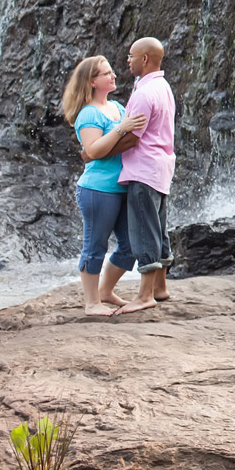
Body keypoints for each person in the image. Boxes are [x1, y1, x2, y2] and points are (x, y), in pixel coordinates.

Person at [60, 56, 147, 315]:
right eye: (107, 73)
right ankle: (91, 303)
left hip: (122, 187)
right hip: (98, 190)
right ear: (92, 81)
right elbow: (94, 150)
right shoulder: (88, 113)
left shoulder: (118, 108)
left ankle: (105, 291)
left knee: (130, 246)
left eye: (112, 72)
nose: (114, 76)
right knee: (95, 245)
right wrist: (121, 129)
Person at [114, 36, 177, 315]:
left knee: (143, 230)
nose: (127, 61)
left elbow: (131, 139)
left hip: (143, 170)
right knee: (159, 227)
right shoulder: (163, 87)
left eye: (131, 56)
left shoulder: (143, 93)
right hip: (161, 168)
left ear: (144, 59)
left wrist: (99, 151)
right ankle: (160, 288)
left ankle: (145, 295)